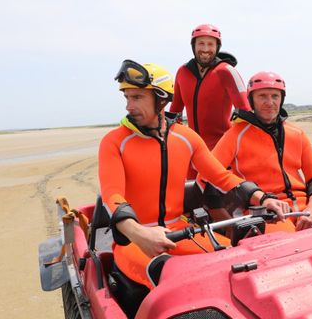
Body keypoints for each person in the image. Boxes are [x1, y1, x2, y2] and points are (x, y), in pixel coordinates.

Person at [98, 60, 288, 291]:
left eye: (137, 97)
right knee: (171, 280)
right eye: (127, 97)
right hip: (133, 240)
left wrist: (263, 198)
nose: (128, 106)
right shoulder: (114, 141)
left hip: (180, 230)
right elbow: (112, 194)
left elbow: (222, 178)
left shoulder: (186, 137)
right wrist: (138, 233)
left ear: (161, 99)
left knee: (238, 264)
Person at [200, 71, 312, 232]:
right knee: (289, 243)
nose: (269, 102)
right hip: (264, 213)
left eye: (275, 96)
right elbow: (206, 176)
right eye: (262, 96)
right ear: (251, 100)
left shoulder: (296, 133)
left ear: (281, 99)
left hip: (306, 209)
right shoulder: (235, 135)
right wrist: (252, 200)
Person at [170, 24, 251, 154]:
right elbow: (174, 114)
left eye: (210, 44)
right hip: (192, 150)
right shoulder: (183, 72)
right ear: (194, 46)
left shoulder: (227, 71)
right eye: (201, 43)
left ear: (217, 47)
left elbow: (246, 114)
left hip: (222, 150)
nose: (205, 49)